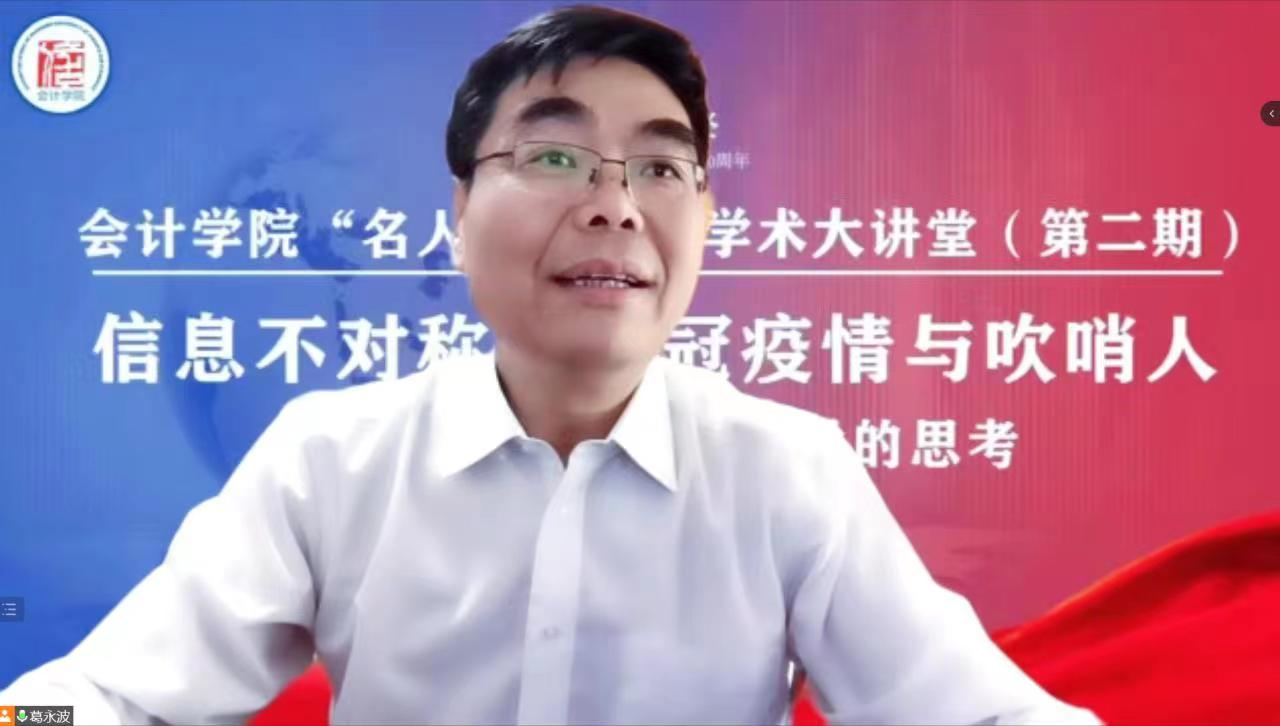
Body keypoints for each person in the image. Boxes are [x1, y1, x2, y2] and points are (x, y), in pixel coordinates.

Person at [1, 5, 1102, 724]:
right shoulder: (330, 459)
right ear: (459, 210)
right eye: (556, 156)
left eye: (661, 168)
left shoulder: (785, 470)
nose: (615, 206)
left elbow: (978, 714)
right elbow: (109, 696)